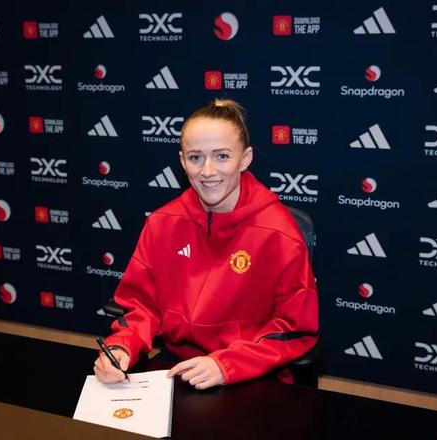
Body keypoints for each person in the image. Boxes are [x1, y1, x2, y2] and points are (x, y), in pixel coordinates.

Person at [94, 99, 318, 390]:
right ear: (182, 161)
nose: (208, 170)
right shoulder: (162, 222)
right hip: (179, 364)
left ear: (245, 159)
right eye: (196, 157)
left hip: (251, 370)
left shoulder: (279, 232)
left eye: (222, 156)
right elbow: (139, 306)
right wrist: (122, 346)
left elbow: (295, 329)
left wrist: (226, 365)